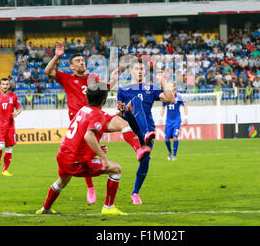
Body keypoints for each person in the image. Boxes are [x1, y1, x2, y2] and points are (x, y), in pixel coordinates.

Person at [44, 42, 149, 205]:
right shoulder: (67, 78)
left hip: (95, 117)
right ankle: (90, 187)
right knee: (83, 158)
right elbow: (48, 71)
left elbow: (105, 88)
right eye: (77, 61)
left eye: (82, 60)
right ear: (71, 66)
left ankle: (138, 149)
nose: (81, 62)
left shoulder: (92, 78)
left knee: (119, 125)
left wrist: (113, 80)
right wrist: (57, 56)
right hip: (79, 122)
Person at [36, 83, 139, 216]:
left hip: (63, 155)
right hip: (75, 161)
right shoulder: (97, 114)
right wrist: (102, 156)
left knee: (61, 182)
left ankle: (45, 209)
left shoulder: (83, 109)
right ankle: (108, 207)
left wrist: (118, 114)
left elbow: (91, 129)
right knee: (116, 169)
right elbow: (88, 135)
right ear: (104, 99)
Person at [117, 58, 175, 204]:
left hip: (149, 127)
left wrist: (163, 81)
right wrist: (120, 111)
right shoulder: (123, 90)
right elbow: (120, 113)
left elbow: (171, 99)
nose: (140, 71)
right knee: (136, 100)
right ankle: (145, 134)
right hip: (132, 126)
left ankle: (135, 193)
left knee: (145, 159)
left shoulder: (151, 88)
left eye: (142, 69)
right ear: (131, 71)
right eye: (137, 69)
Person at [0, 78, 22, 177]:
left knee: (9, 148)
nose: (5, 86)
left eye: (7, 84)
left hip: (10, 126)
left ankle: (5, 170)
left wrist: (17, 112)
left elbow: (19, 108)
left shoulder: (13, 96)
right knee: (1, 145)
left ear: (9, 85)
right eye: (3, 84)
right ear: (0, 85)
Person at [159, 82, 187, 161]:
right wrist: (160, 117)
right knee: (166, 139)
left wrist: (186, 117)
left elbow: (185, 106)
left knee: (175, 137)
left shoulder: (179, 96)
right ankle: (170, 152)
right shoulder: (166, 97)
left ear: (174, 87)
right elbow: (163, 108)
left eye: (170, 86)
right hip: (168, 121)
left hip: (177, 121)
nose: (169, 87)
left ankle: (174, 155)